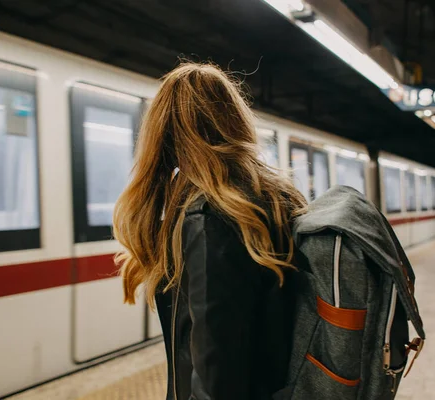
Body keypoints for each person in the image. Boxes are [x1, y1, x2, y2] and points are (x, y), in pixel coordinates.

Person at [112, 62, 307, 400]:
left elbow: (217, 371)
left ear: (164, 132)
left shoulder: (211, 215)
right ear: (235, 122)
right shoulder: (277, 197)